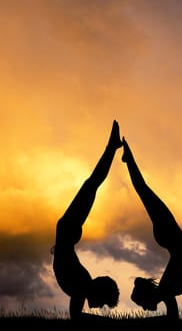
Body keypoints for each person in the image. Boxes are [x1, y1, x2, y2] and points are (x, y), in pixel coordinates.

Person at [51, 120, 122, 320]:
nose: (98, 307)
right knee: (92, 183)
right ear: (98, 292)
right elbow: (76, 317)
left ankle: (112, 147)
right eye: (103, 303)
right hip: (67, 230)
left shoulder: (82, 289)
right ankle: (112, 147)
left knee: (93, 184)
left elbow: (76, 316)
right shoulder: (82, 286)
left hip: (68, 232)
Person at [121, 136, 182, 319]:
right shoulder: (166, 290)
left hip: (171, 236)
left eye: (142, 304)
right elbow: (172, 317)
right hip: (172, 239)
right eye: (141, 305)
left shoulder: (166, 290)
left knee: (142, 189)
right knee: (142, 190)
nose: (144, 309)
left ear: (148, 297)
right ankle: (129, 159)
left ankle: (129, 159)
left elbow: (172, 318)